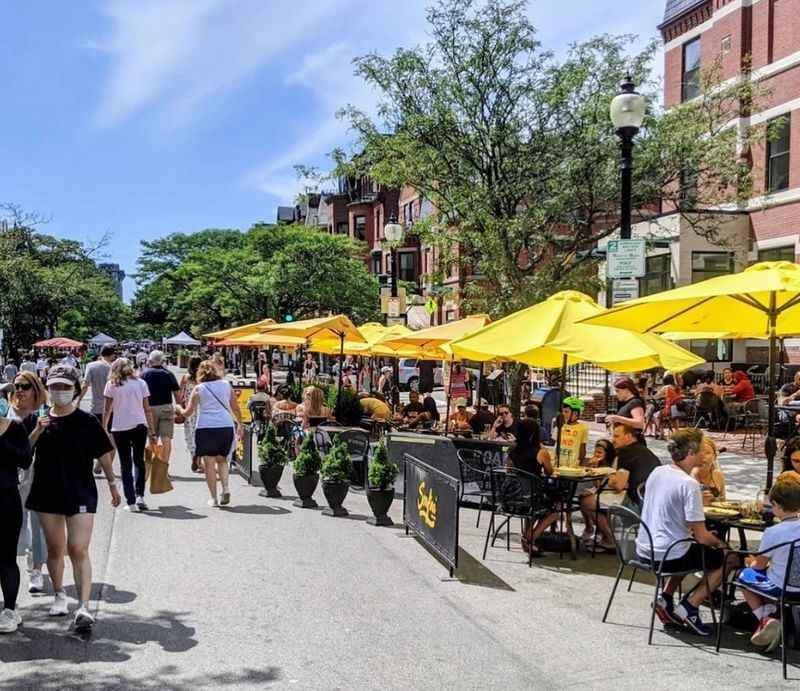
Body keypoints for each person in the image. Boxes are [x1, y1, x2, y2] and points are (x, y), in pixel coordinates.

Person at [25, 364, 120, 631]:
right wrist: (37, 431)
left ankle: (84, 606)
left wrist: (113, 484)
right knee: (55, 550)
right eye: (54, 387)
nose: (59, 391)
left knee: (77, 548)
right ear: (47, 389)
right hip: (46, 492)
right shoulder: (37, 419)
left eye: (65, 387)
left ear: (76, 390)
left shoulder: (87, 420)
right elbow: (22, 453)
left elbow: (104, 453)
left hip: (80, 491)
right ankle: (59, 595)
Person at [636, 428, 735, 636]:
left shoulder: (658, 471)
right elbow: (701, 536)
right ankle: (690, 606)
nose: (703, 454)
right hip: (668, 553)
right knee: (730, 558)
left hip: (644, 548)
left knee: (689, 547)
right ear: (691, 452)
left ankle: (666, 597)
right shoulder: (688, 484)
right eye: (701, 449)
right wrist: (720, 544)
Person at [737, 471, 800, 652]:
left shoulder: (774, 532)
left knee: (743, 576)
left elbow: (759, 565)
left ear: (778, 506)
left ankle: (764, 618)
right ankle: (771, 613)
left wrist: (750, 563)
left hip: (782, 587)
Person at [177, 360, 243, 508]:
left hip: (206, 427)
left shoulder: (199, 388)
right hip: (225, 426)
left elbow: (188, 412)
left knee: (209, 463)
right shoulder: (226, 385)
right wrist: (240, 424)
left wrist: (178, 409)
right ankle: (225, 488)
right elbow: (236, 408)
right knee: (222, 460)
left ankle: (213, 498)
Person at [7, 372, 48, 594]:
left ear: (35, 390)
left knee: (36, 524)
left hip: (36, 475)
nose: (19, 390)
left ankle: (36, 569)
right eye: (16, 386)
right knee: (12, 525)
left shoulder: (42, 414)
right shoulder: (6, 414)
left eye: (24, 386)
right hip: (9, 477)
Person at [591, 423, 661, 550]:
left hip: (636, 506)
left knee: (586, 502)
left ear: (628, 436)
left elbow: (618, 485)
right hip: (654, 505)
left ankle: (610, 540)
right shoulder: (644, 450)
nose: (613, 439)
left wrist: (611, 477)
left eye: (617, 436)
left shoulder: (626, 452)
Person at [103, 358, 154, 512]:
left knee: (125, 464)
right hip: (140, 424)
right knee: (138, 460)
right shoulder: (140, 383)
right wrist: (151, 430)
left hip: (120, 427)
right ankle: (140, 495)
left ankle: (131, 502)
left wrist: (103, 427)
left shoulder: (112, 384)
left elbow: (107, 409)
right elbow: (147, 409)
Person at [506, 418, 555, 557]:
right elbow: (549, 472)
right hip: (531, 497)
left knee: (534, 503)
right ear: (535, 434)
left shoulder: (512, 449)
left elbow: (508, 470)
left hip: (512, 498)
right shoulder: (540, 452)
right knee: (556, 510)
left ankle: (528, 538)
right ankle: (530, 536)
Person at [0, 415, 32, 633]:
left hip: (5, 499)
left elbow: (25, 459)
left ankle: (10, 610)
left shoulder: (15, 426)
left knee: (6, 558)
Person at [79, 345, 116, 474]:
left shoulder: (91, 366)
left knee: (94, 438)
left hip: (96, 408)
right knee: (111, 439)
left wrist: (78, 400)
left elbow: (85, 385)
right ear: (111, 355)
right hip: (113, 408)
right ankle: (104, 466)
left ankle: (97, 463)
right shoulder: (114, 367)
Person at [141, 350, 180, 467]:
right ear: (162, 361)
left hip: (149, 408)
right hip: (166, 408)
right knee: (166, 438)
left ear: (150, 361)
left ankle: (150, 465)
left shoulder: (144, 374)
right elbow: (176, 393)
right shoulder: (168, 374)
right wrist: (179, 409)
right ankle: (163, 466)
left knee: (152, 437)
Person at [578, 439, 617, 546]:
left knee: (586, 502)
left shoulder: (613, 464)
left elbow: (604, 485)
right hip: (600, 490)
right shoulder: (599, 463)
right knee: (582, 497)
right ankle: (589, 527)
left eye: (600, 452)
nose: (596, 455)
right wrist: (593, 468)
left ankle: (606, 535)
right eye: (596, 452)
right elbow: (597, 485)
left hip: (611, 492)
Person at [180, 356, 203, 473]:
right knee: (200, 434)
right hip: (201, 408)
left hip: (189, 409)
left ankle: (193, 455)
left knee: (190, 433)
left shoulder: (185, 377)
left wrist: (180, 407)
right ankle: (199, 461)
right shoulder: (202, 378)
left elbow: (180, 394)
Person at [691, 436, 726, 504]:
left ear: (714, 456)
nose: (703, 456)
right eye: (699, 452)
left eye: (707, 453)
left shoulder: (718, 475)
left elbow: (724, 503)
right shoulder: (686, 476)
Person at [556, 397, 588, 467]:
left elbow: (582, 447)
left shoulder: (582, 428)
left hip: (573, 464)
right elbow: (555, 444)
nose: (563, 414)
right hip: (558, 462)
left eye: (566, 412)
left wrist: (581, 462)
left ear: (576, 414)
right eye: (563, 411)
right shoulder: (560, 425)